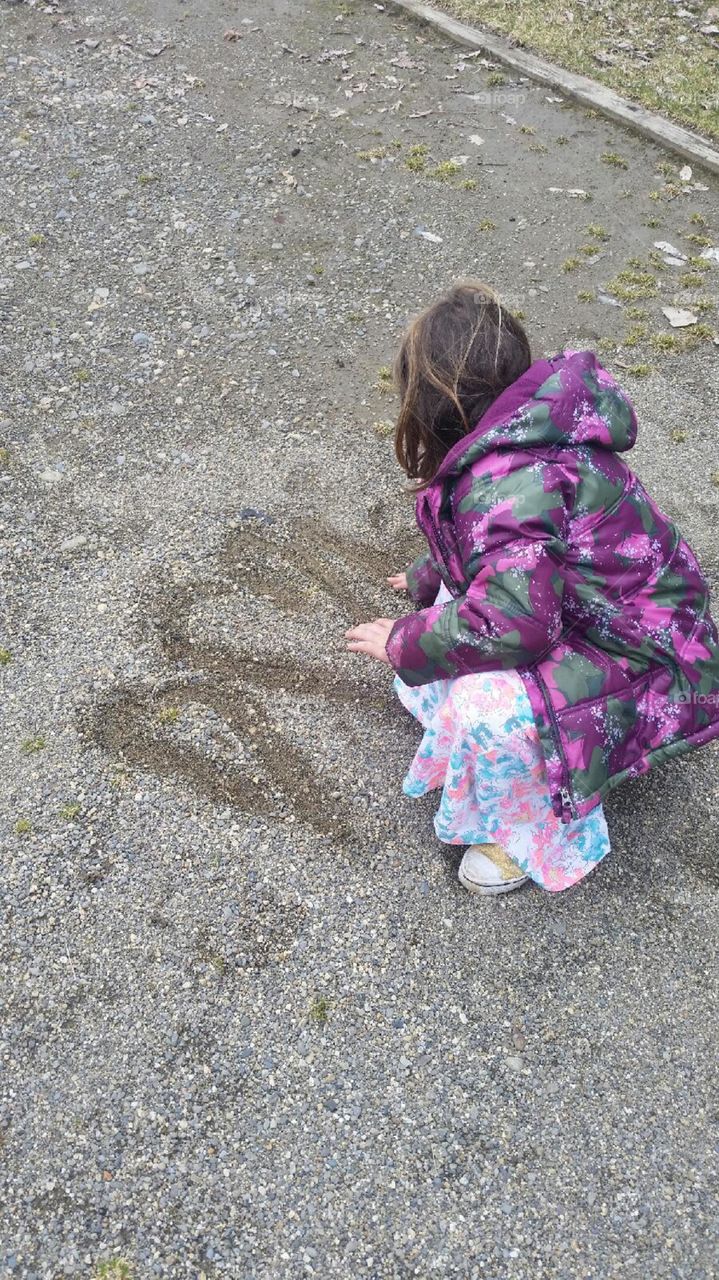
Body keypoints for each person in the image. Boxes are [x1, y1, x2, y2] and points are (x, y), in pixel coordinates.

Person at [346, 282, 719, 895]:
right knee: (452, 614)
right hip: (607, 614)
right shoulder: (530, 427)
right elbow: (514, 546)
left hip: (650, 653)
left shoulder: (509, 481)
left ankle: (533, 832)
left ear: (436, 410)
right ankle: (493, 754)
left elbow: (515, 623)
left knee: (483, 704)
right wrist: (431, 574)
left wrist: (404, 641)